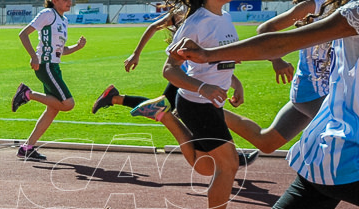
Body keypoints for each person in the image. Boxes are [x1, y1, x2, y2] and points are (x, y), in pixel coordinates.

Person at [76, 0, 359, 209]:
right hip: (213, 105)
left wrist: (229, 77)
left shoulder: (224, 17)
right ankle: (170, 119)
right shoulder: (195, 19)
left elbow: (233, 56)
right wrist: (203, 76)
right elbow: (176, 65)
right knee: (216, 166)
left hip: (310, 139)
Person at [221, 0, 354, 152]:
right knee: (349, 136)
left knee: (267, 142)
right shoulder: (317, 4)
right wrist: (277, 61)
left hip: (324, 91)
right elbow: (267, 27)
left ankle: (207, 109)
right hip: (314, 92)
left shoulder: (346, 4)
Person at [91, 9, 262, 168]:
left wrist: (235, 81)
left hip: (194, 75)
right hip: (186, 75)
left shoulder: (216, 15)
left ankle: (114, 97)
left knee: (171, 108)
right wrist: (136, 53)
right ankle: (229, 155)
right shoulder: (184, 12)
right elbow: (154, 26)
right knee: (186, 111)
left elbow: (216, 62)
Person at [10, 0, 87, 161]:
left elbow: (60, 50)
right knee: (68, 104)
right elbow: (23, 34)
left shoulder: (63, 20)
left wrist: (77, 47)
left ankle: (27, 148)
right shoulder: (47, 14)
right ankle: (27, 94)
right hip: (45, 66)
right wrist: (33, 57)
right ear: (54, 1)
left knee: (53, 110)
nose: (70, 2)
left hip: (54, 66)